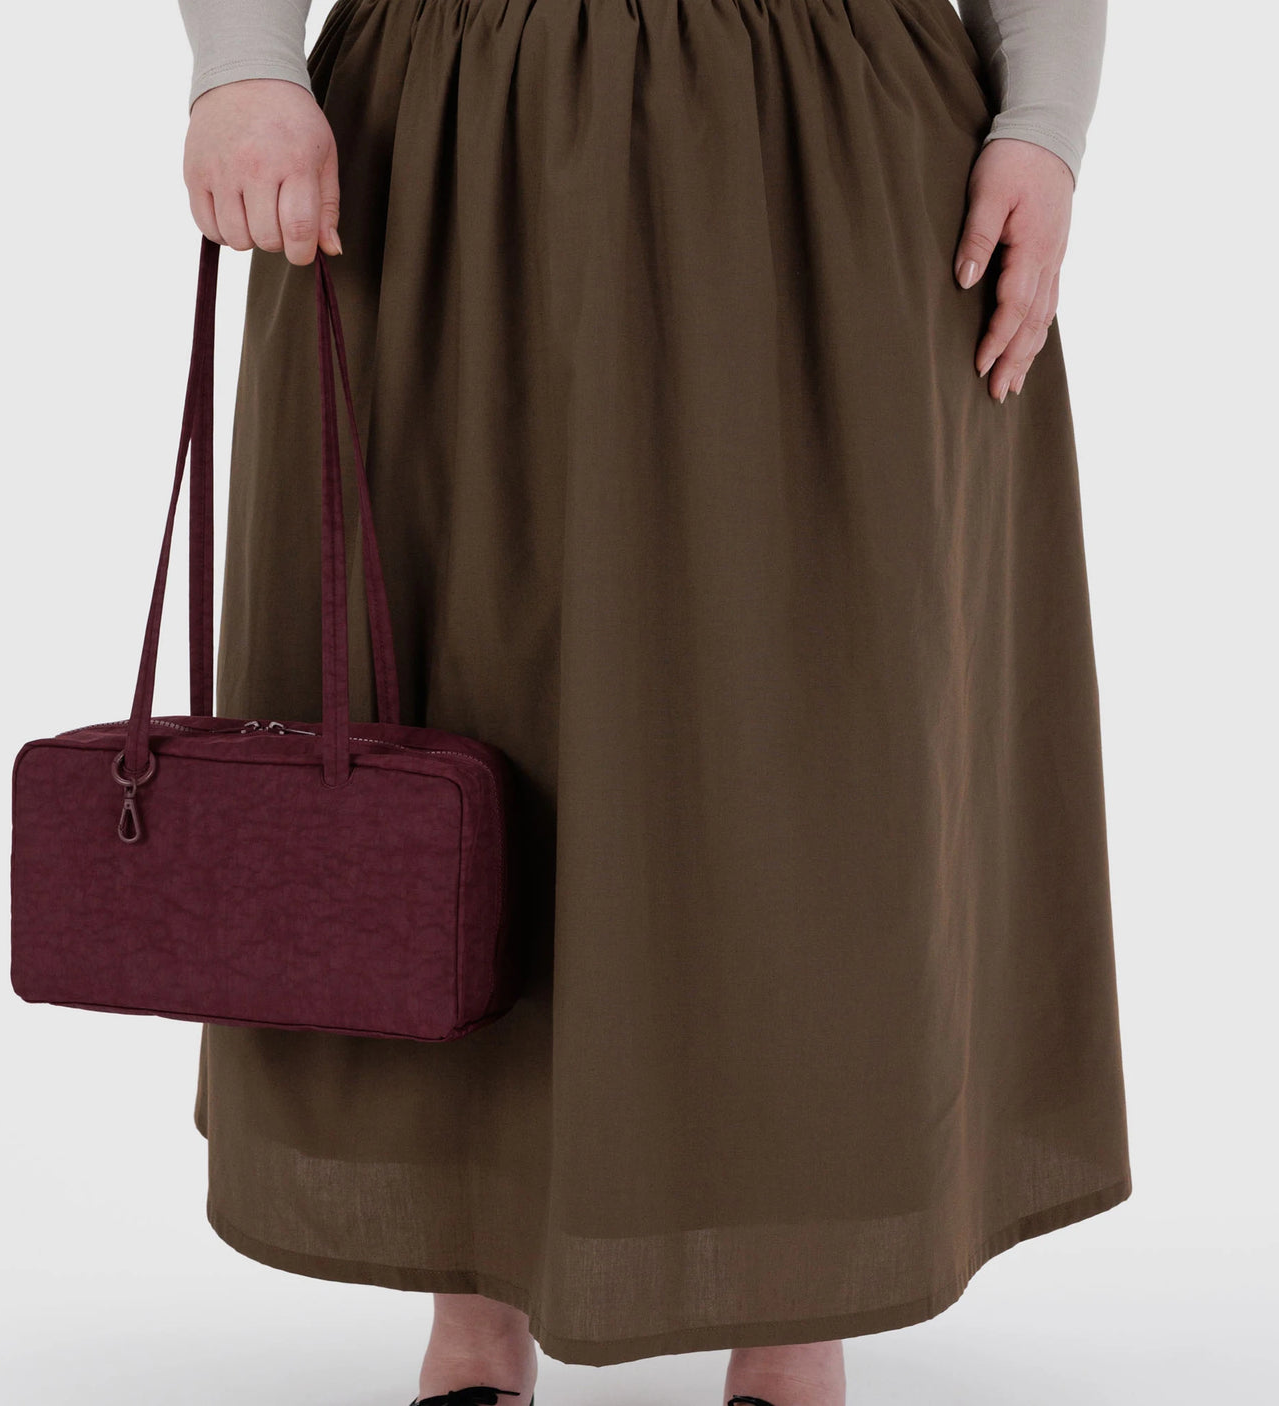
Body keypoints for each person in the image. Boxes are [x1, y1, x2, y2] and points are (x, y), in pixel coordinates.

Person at [176, 2, 1130, 1404]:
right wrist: (242, 64)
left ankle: (803, 1300)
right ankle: (469, 1299)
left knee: (824, 723)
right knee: (439, 711)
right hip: (445, 132)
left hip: (829, 143)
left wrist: (1042, 128)